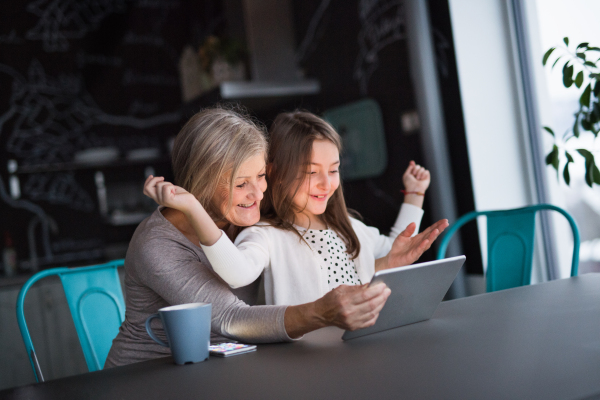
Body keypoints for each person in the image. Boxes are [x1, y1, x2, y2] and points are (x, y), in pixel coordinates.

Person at [105, 107, 392, 368]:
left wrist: (385, 262)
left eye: (261, 175)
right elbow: (232, 319)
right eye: (242, 184)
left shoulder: (244, 217)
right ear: (202, 182)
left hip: (222, 366)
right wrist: (321, 313)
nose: (258, 194)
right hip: (149, 375)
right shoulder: (156, 244)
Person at [144, 110, 448, 307]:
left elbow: (394, 249)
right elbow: (237, 273)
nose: (325, 183)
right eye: (311, 171)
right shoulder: (265, 234)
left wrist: (414, 196)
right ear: (277, 172)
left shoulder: (348, 228)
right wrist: (193, 207)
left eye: (333, 170)